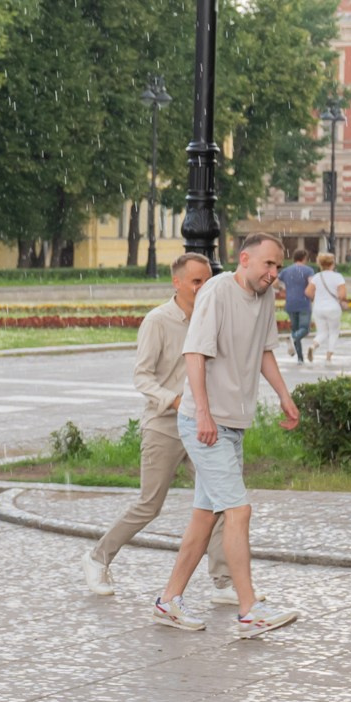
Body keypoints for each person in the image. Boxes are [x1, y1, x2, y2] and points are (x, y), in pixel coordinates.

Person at [153, 233, 301, 638]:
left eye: (277, 267)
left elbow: (265, 351)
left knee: (206, 517)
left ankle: (169, 601)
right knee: (238, 510)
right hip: (206, 423)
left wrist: (285, 397)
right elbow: (194, 354)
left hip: (232, 423)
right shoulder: (217, 291)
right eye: (268, 265)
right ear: (245, 259)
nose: (273, 274)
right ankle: (249, 610)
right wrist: (202, 413)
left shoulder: (265, 296)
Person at [78, 255, 236, 601]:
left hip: (203, 426)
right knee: (150, 504)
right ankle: (96, 558)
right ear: (176, 283)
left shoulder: (213, 319)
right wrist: (174, 400)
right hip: (164, 425)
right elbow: (141, 377)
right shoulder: (158, 321)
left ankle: (224, 581)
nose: (203, 288)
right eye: (196, 282)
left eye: (207, 281)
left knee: (223, 499)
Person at [310, 252, 349, 362]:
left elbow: (308, 292)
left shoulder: (316, 277)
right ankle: (328, 355)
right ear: (333, 263)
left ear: (320, 264)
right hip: (333, 308)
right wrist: (342, 301)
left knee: (322, 332)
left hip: (318, 308)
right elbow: (342, 295)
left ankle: (313, 346)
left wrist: (317, 299)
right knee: (334, 331)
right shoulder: (338, 277)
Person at [279, 249, 315, 363]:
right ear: (304, 257)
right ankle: (293, 337)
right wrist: (312, 296)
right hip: (303, 303)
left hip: (290, 303)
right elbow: (311, 284)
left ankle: (300, 358)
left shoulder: (286, 271)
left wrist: (282, 289)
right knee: (304, 328)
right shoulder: (308, 270)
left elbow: (275, 282)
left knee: (295, 329)